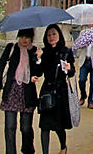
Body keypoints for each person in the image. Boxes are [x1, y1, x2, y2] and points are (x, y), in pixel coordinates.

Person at [0, 28, 41, 154]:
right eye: (22, 37)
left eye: (27, 37)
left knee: (26, 127)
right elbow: (1, 65)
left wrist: (38, 59)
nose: (24, 40)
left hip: (27, 93)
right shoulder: (11, 48)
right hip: (11, 91)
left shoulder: (34, 51)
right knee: (10, 126)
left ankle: (28, 150)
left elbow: (38, 72)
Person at [36, 24, 75, 154]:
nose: (51, 37)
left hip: (60, 91)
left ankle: (63, 146)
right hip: (47, 90)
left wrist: (69, 69)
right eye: (48, 35)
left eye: (54, 34)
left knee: (59, 125)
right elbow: (39, 72)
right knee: (44, 126)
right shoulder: (43, 52)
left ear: (59, 35)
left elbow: (71, 73)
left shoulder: (66, 51)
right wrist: (38, 59)